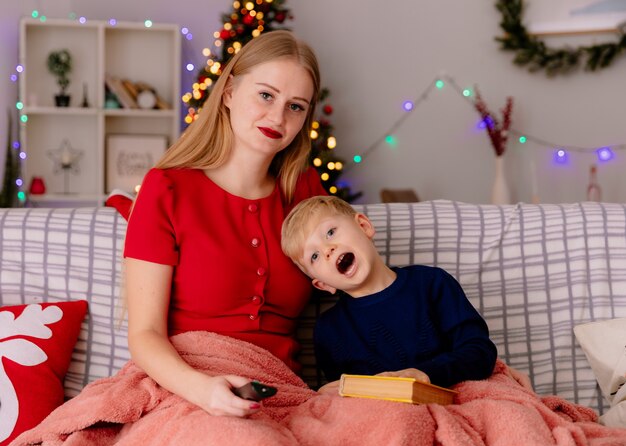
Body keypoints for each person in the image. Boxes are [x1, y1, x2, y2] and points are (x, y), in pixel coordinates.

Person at [123, 30, 327, 418]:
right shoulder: (166, 188)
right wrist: (202, 391)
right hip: (185, 386)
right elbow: (144, 334)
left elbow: (350, 275)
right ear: (230, 91)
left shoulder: (305, 191)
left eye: (296, 106)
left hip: (279, 392)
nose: (278, 117)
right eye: (265, 95)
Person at [281, 195, 498, 391]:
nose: (327, 250)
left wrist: (427, 375)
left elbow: (479, 352)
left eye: (330, 232)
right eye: (314, 256)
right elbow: (344, 397)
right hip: (383, 419)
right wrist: (332, 393)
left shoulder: (432, 284)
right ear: (322, 285)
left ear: (364, 226)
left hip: (449, 396)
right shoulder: (329, 330)